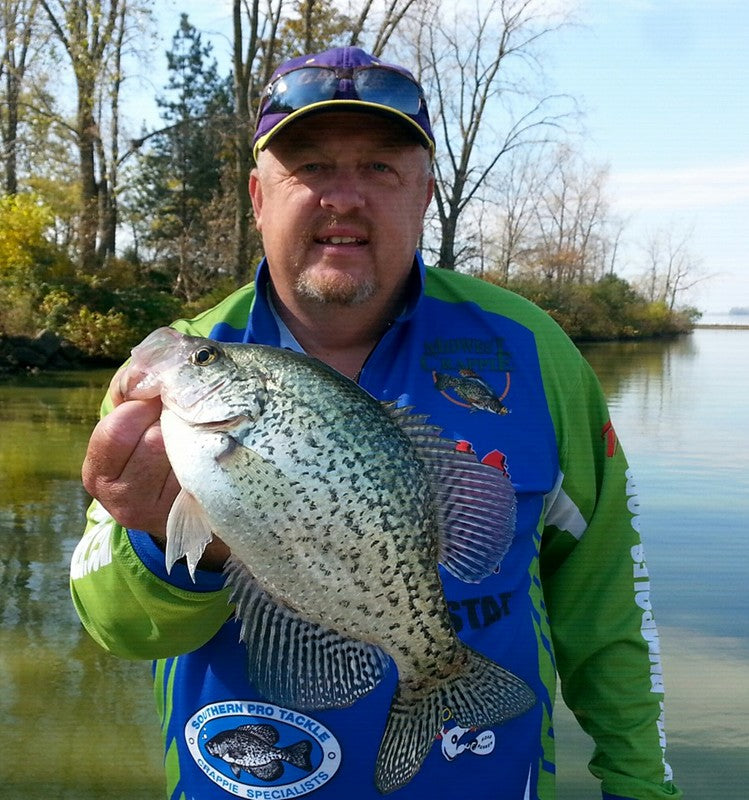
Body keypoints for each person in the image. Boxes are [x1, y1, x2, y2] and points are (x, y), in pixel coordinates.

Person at [71, 46, 681, 800]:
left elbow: (605, 602)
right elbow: (120, 631)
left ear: (425, 192)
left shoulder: (532, 351)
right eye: (312, 168)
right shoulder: (166, 383)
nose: (344, 198)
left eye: (380, 169)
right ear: (259, 198)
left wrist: (639, 784)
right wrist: (161, 541)